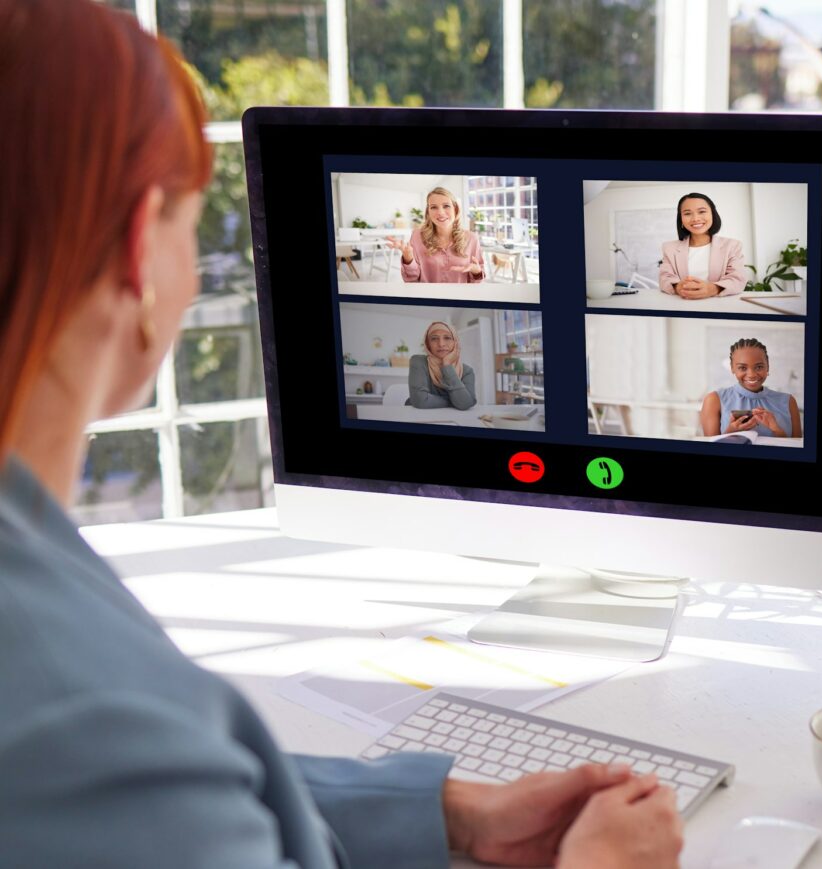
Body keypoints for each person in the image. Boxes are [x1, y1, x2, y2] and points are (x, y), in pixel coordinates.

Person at [0, 3, 683, 867]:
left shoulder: (35, 572)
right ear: (142, 245)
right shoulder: (60, 697)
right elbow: (117, 768)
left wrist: (455, 811)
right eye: (188, 221)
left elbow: (161, 788)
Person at [700, 339, 803, 438]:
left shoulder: (789, 402)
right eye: (742, 368)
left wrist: (777, 430)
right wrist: (730, 433)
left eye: (759, 367)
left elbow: (798, 450)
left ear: (767, 366)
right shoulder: (714, 400)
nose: (752, 375)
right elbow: (710, 448)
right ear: (732, 368)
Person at [386, 187, 486, 283]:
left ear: (455, 209)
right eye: (433, 207)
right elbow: (411, 280)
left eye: (446, 206)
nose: (441, 212)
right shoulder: (417, 236)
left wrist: (476, 271)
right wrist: (408, 259)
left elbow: (477, 282)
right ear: (428, 213)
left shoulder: (472, 238)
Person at [658, 192, 747, 298]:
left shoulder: (732, 246)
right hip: (683, 305)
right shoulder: (669, 248)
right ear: (681, 219)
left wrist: (713, 289)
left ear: (712, 214)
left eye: (701, 211)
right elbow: (664, 278)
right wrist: (678, 286)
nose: (695, 218)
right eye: (687, 213)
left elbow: (738, 278)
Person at [408, 321, 478, 410]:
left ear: (455, 342)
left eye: (447, 338)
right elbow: (421, 401)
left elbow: (465, 404)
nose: (441, 344)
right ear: (428, 344)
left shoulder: (467, 371)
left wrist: (447, 365)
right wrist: (454, 402)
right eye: (434, 338)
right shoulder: (418, 361)